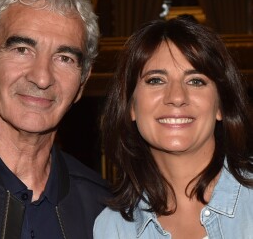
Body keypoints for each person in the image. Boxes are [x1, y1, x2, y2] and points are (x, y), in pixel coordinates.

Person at [0, 0, 110, 239]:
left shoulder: (104, 210)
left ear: (82, 82)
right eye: (22, 49)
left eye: (64, 58)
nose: (41, 77)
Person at [94, 17, 253, 238]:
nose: (177, 97)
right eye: (156, 80)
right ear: (131, 106)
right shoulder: (113, 229)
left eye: (196, 81)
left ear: (220, 106)